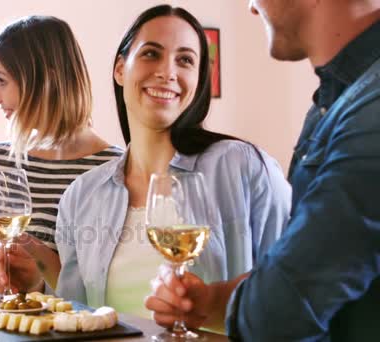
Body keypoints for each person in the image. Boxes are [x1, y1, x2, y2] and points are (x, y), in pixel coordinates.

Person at [0, 4, 291, 319]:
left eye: (185, 60)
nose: (167, 72)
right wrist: (36, 284)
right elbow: (78, 316)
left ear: (199, 78)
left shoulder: (243, 167)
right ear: (120, 68)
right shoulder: (81, 196)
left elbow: (293, 289)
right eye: (151, 54)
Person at [146, 0, 380, 340]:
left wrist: (243, 305)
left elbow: (283, 307)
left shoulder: (370, 111)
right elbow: (309, 270)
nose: (252, 8)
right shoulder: (334, 103)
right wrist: (210, 301)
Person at [0, 16, 122, 288]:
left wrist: (42, 282)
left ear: (47, 80)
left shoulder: (115, 170)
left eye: (2, 80)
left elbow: (110, 290)